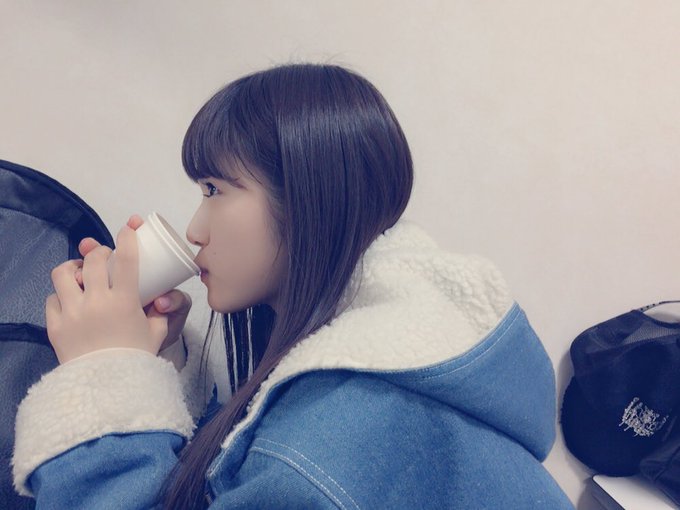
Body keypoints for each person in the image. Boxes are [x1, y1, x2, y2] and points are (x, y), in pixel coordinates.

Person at [12, 63, 572, 509]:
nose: (195, 229)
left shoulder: (336, 438)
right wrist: (154, 360)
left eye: (213, 190)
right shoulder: (370, 361)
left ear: (307, 201)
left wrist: (103, 379)